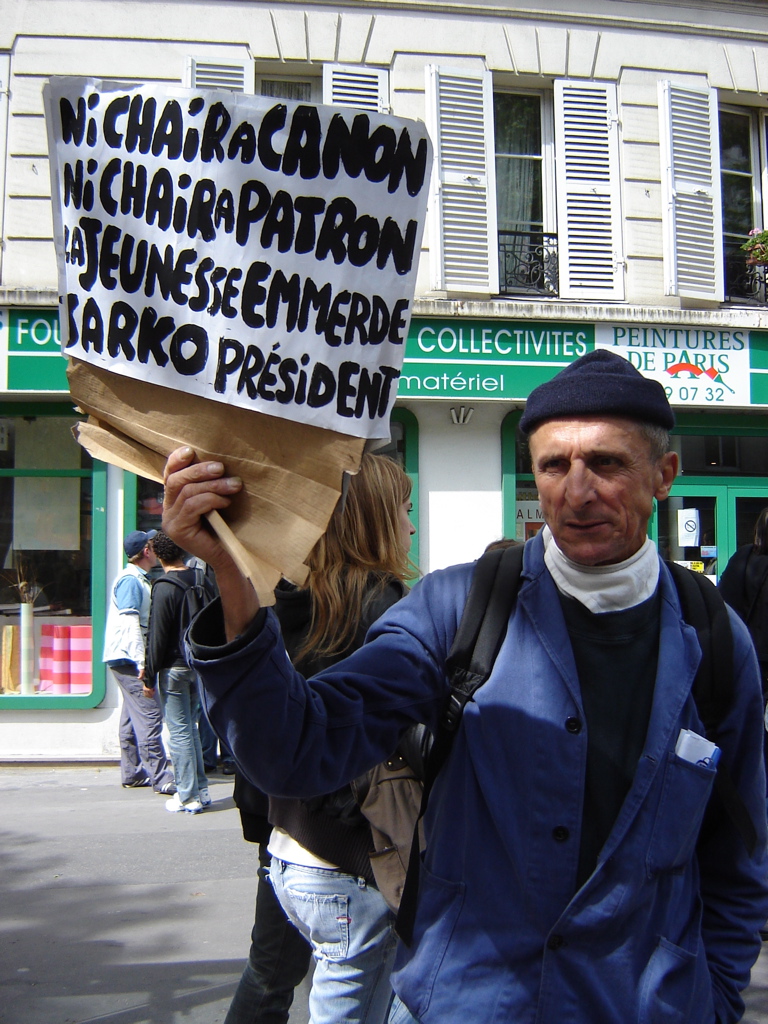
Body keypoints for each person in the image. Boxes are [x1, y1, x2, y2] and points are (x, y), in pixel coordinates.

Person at [163, 349, 768, 1024]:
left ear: (664, 474)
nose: (577, 490)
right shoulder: (457, 609)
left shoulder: (713, 639)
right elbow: (297, 748)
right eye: (553, 465)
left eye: (606, 462)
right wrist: (233, 579)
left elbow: (739, 853)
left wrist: (715, 998)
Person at [225, 453, 415, 1024]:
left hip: (287, 839)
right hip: (350, 851)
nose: (411, 525)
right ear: (375, 520)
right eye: (404, 509)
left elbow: (260, 721)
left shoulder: (285, 596)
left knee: (270, 973)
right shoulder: (381, 606)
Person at [103, 529, 175, 794]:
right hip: (129, 658)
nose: (156, 550)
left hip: (123, 657)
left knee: (131, 716)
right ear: (146, 551)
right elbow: (130, 623)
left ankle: (132, 772)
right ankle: (161, 777)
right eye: (153, 545)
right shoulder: (131, 581)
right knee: (149, 715)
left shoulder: (134, 578)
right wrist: (141, 662)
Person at [145, 530, 211, 814]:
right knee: (193, 728)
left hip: (173, 666)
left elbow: (156, 637)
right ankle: (201, 788)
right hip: (199, 663)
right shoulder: (200, 579)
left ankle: (188, 795)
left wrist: (148, 675)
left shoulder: (164, 586)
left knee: (180, 730)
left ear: (158, 555)